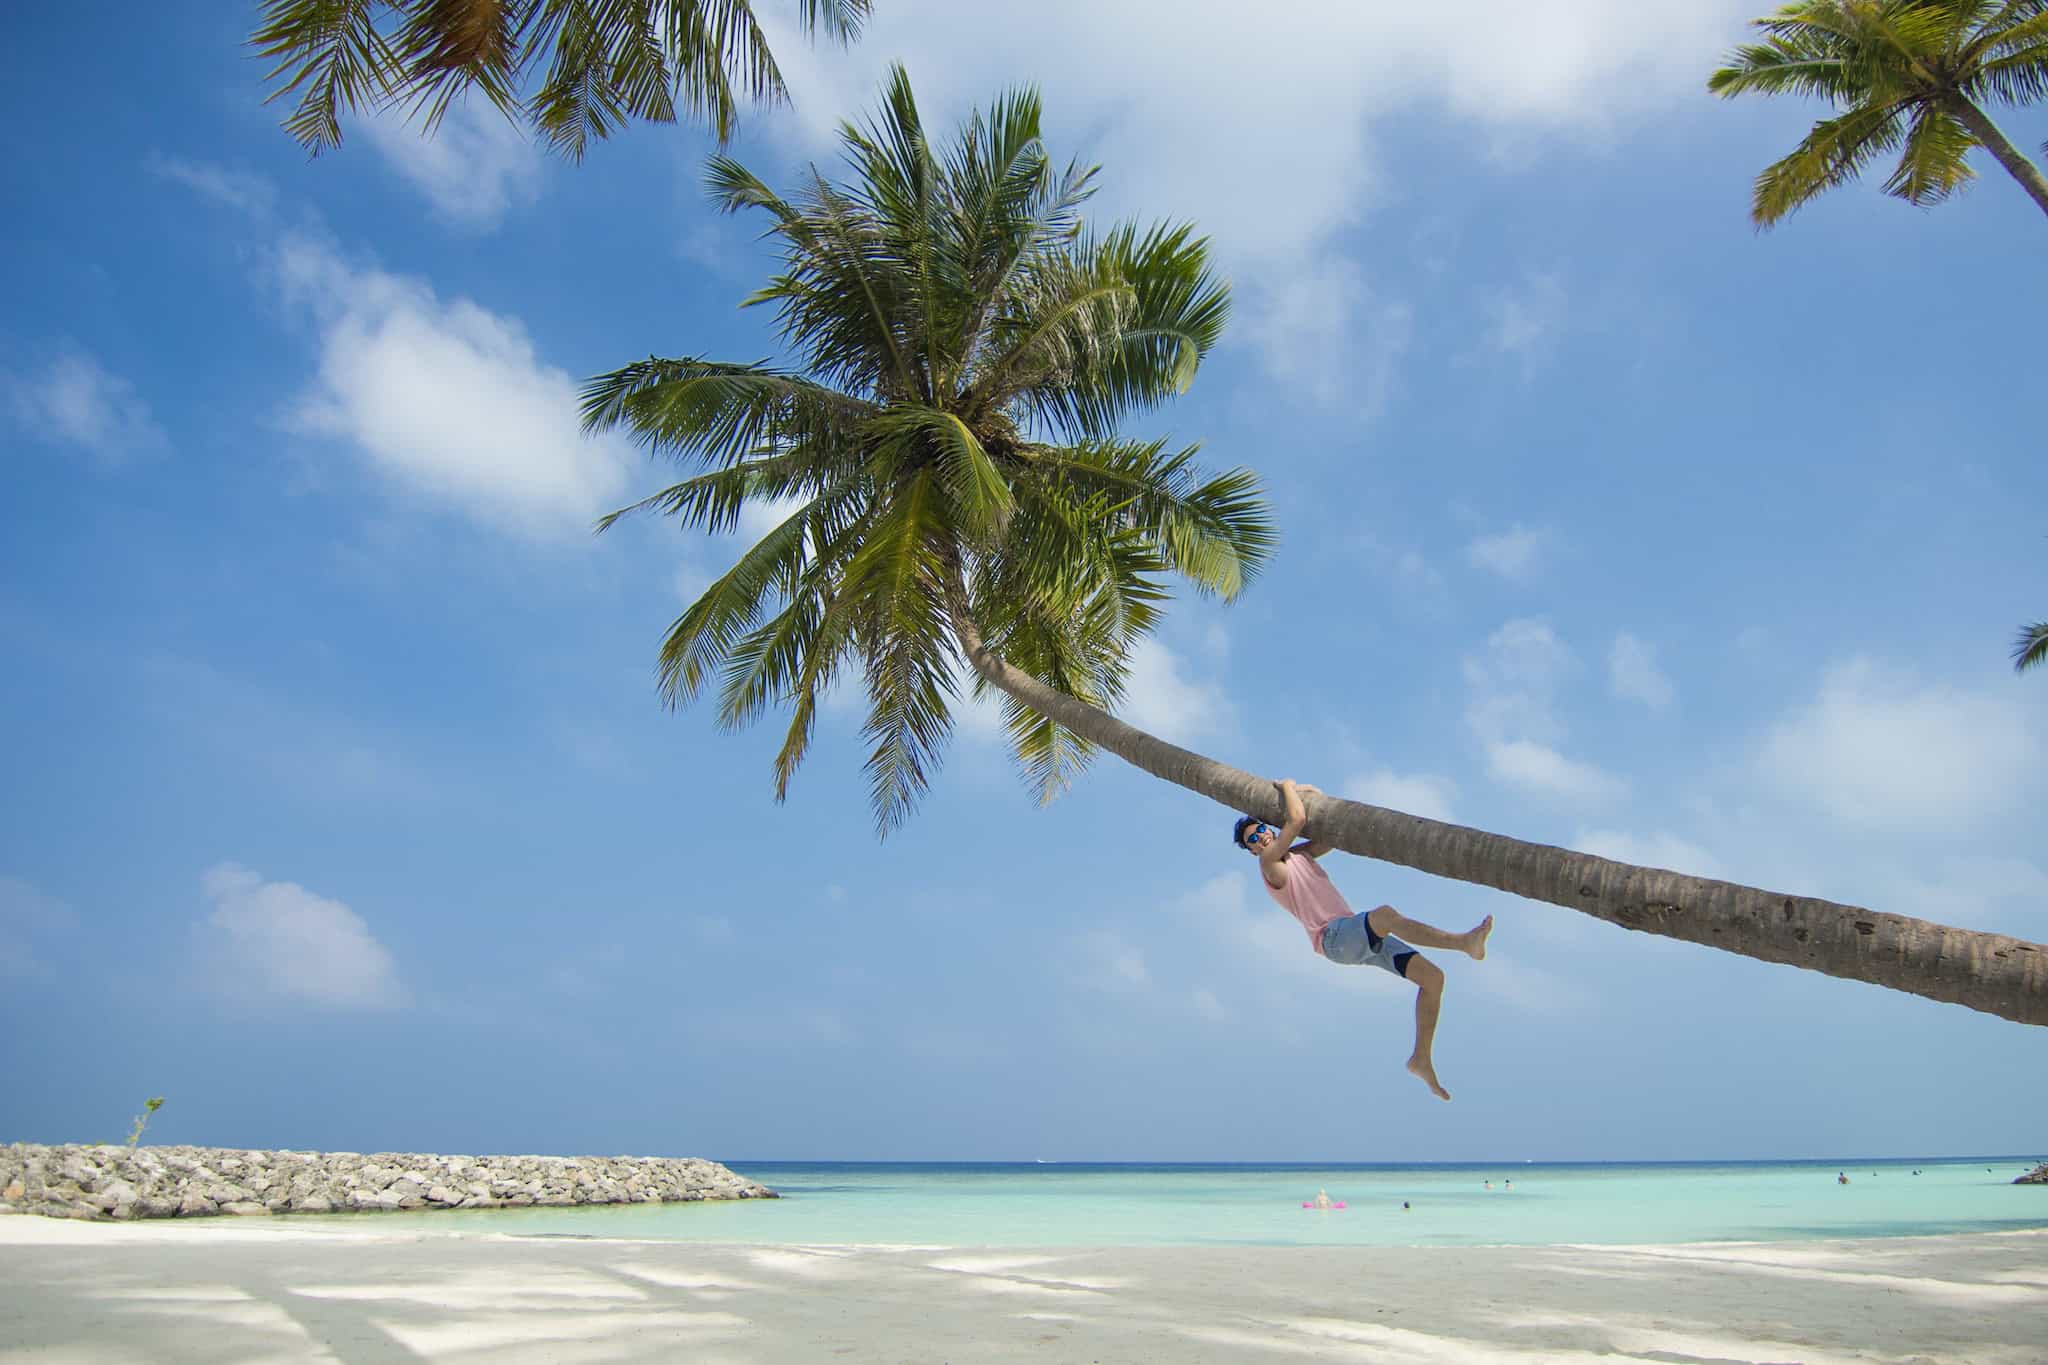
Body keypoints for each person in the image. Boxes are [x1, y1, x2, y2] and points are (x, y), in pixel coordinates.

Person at [1235, 779, 1492, 1101]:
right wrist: (1287, 786)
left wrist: (1313, 793)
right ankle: (1462, 943)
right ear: (1254, 850)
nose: (1261, 838)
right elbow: (1298, 819)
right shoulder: (1269, 865)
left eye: (1261, 831)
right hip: (1335, 938)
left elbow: (1333, 833)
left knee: (1433, 979)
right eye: (1253, 840)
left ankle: (1421, 1058)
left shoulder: (1299, 856)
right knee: (1384, 915)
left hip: (1353, 937)